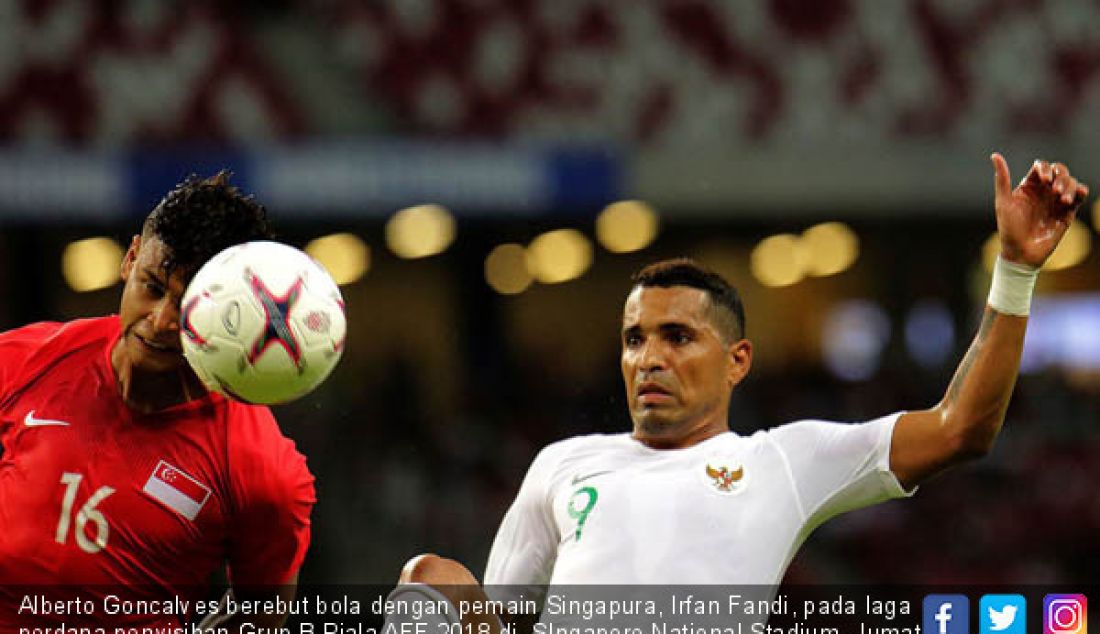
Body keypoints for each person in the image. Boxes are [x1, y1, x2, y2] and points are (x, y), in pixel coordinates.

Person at [390, 154, 1089, 622]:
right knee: (432, 576)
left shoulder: (785, 461)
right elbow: (505, 621)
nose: (649, 359)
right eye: (636, 339)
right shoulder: (562, 464)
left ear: (738, 360)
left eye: (678, 337)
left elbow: (961, 427)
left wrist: (1016, 273)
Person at [0, 173, 316, 630]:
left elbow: (260, 616)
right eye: (152, 286)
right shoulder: (25, 361)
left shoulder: (261, 472)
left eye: (189, 306)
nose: (162, 320)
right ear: (129, 259)